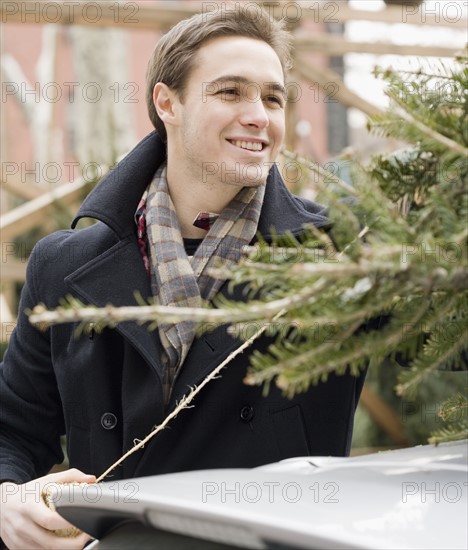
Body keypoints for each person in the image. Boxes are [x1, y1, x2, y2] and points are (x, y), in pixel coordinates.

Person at [0, 6, 366, 549]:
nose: (259, 116)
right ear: (167, 103)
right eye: (230, 92)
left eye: (272, 97)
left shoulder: (341, 255)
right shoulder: (63, 265)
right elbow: (14, 429)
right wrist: (8, 497)